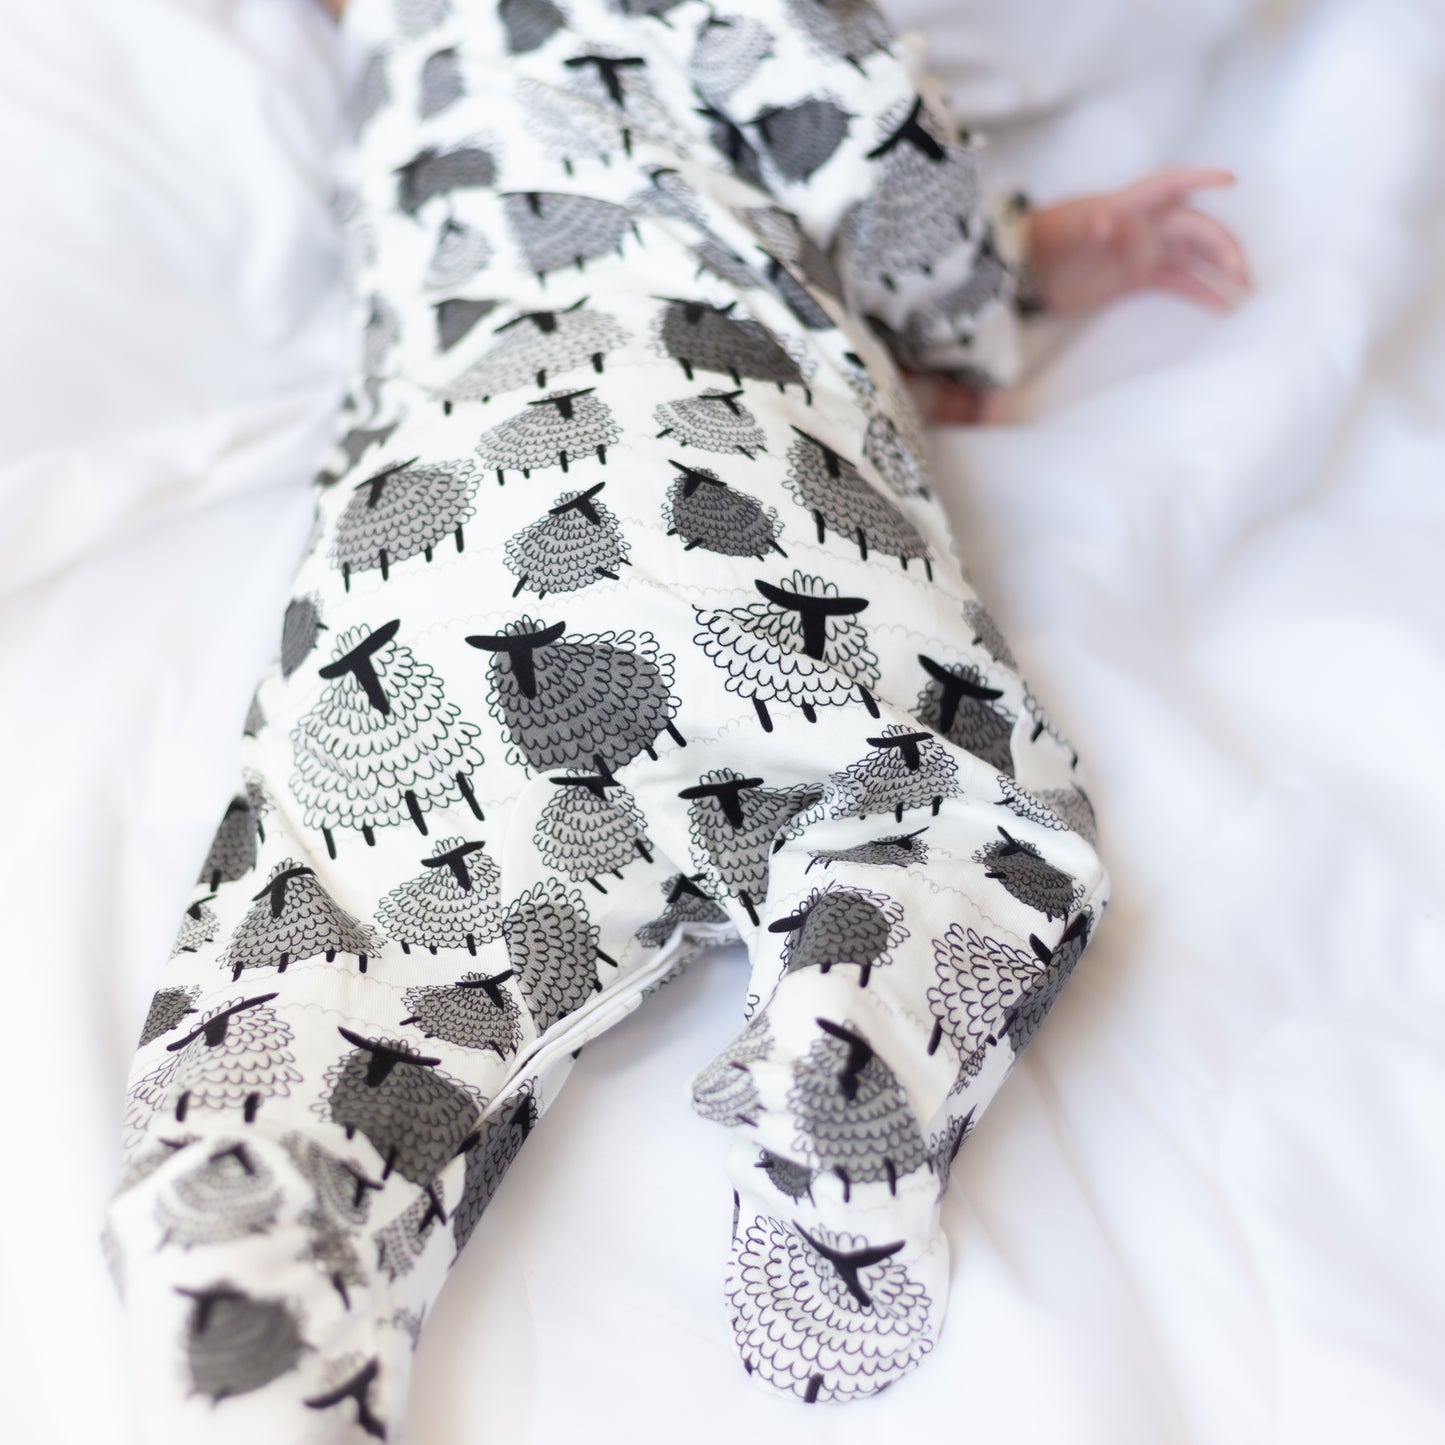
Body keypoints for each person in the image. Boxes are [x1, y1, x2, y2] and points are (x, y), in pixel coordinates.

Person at [105, 0, 1249, 1438]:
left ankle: (244, 1255)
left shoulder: (389, 80)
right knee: (945, 805)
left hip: (431, 548)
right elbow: (863, 116)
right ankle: (853, 1016)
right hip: (723, 456)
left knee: (337, 968)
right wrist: (986, 308)